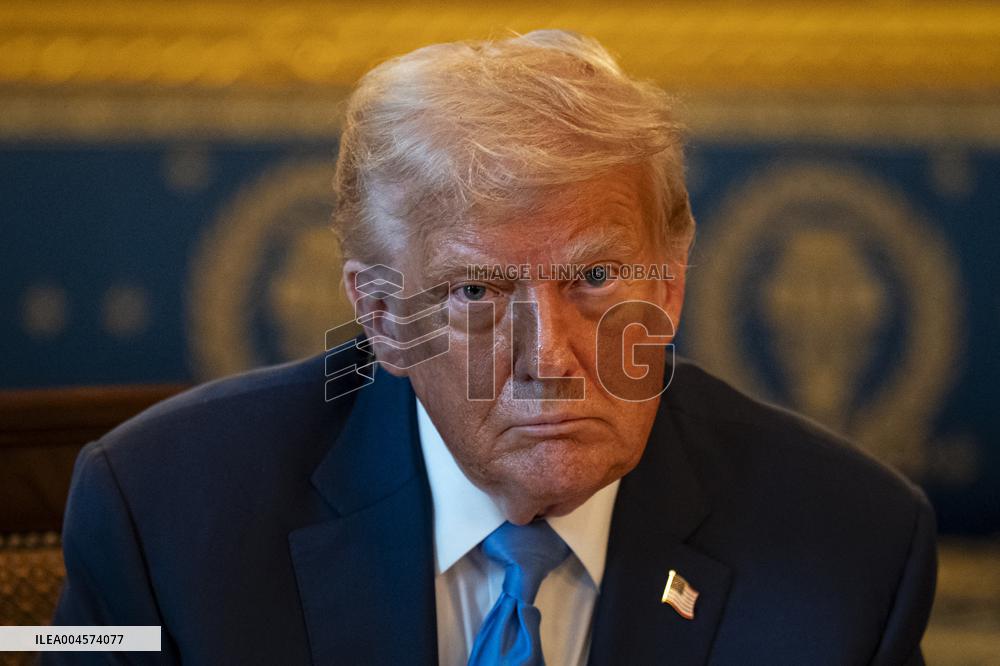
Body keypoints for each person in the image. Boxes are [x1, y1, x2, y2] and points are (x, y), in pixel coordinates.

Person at [47, 30, 936, 665]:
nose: (550, 359)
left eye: (596, 278)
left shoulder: (852, 543)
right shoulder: (163, 511)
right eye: (475, 292)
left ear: (667, 286)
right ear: (382, 316)